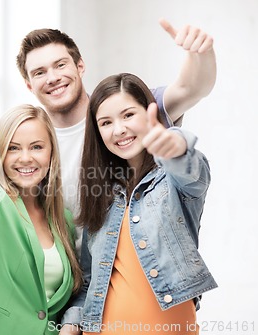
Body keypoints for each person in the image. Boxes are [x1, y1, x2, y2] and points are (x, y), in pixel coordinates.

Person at [16, 19, 216, 225]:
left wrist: (201, 54)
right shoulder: (31, 145)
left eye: (60, 65)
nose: (52, 78)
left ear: (80, 66)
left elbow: (190, 89)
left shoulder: (125, 113)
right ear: (29, 85)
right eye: (39, 73)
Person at [61, 73, 217, 334]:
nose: (119, 129)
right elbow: (89, 282)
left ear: (149, 114)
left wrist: (174, 146)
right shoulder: (100, 195)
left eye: (128, 115)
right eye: (106, 122)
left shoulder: (172, 180)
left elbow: (193, 171)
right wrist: (70, 324)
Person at [0, 101, 82, 335]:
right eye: (13, 148)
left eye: (36, 147)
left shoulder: (62, 220)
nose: (25, 158)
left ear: (51, 152)